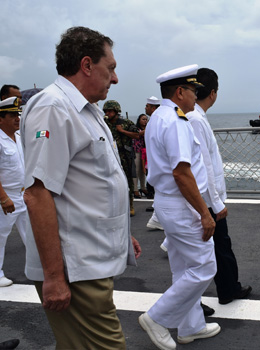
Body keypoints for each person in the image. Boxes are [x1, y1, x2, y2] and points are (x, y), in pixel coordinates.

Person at [20, 26, 141, 350]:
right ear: (87, 65)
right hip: (75, 267)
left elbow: (90, 184)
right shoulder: (54, 108)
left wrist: (121, 230)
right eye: (110, 68)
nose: (114, 78)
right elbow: (37, 193)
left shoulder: (86, 110)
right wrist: (55, 277)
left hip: (89, 259)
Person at [139, 64, 220, 349]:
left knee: (182, 266)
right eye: (193, 91)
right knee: (204, 266)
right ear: (180, 91)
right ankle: (158, 317)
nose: (195, 97)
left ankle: (190, 326)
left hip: (166, 201)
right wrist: (204, 213)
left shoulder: (158, 117)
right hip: (182, 204)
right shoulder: (176, 121)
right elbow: (182, 173)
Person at [185, 67, 252, 305]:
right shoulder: (195, 119)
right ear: (212, 93)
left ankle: (225, 289)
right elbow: (203, 166)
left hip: (205, 197)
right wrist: (215, 203)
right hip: (205, 199)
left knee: (216, 248)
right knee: (216, 249)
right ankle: (225, 290)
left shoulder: (196, 117)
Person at [0, 97, 26, 287]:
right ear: (1, 119)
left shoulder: (18, 137)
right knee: (0, 236)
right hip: (7, 197)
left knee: (33, 234)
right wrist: (3, 198)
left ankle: (40, 268)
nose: (17, 119)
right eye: (12, 116)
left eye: (18, 115)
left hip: (24, 195)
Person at [103, 100, 140, 216]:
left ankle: (130, 205)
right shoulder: (103, 122)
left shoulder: (126, 123)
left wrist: (122, 131)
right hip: (108, 155)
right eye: (106, 111)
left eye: (110, 111)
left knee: (128, 181)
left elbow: (137, 135)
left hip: (124, 156)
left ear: (116, 111)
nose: (108, 113)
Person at [133, 113, 148, 198]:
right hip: (137, 151)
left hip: (145, 152)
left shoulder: (147, 128)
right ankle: (135, 189)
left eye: (146, 119)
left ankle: (143, 187)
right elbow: (139, 134)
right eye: (143, 119)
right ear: (139, 120)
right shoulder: (136, 129)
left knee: (143, 171)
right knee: (136, 170)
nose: (145, 121)